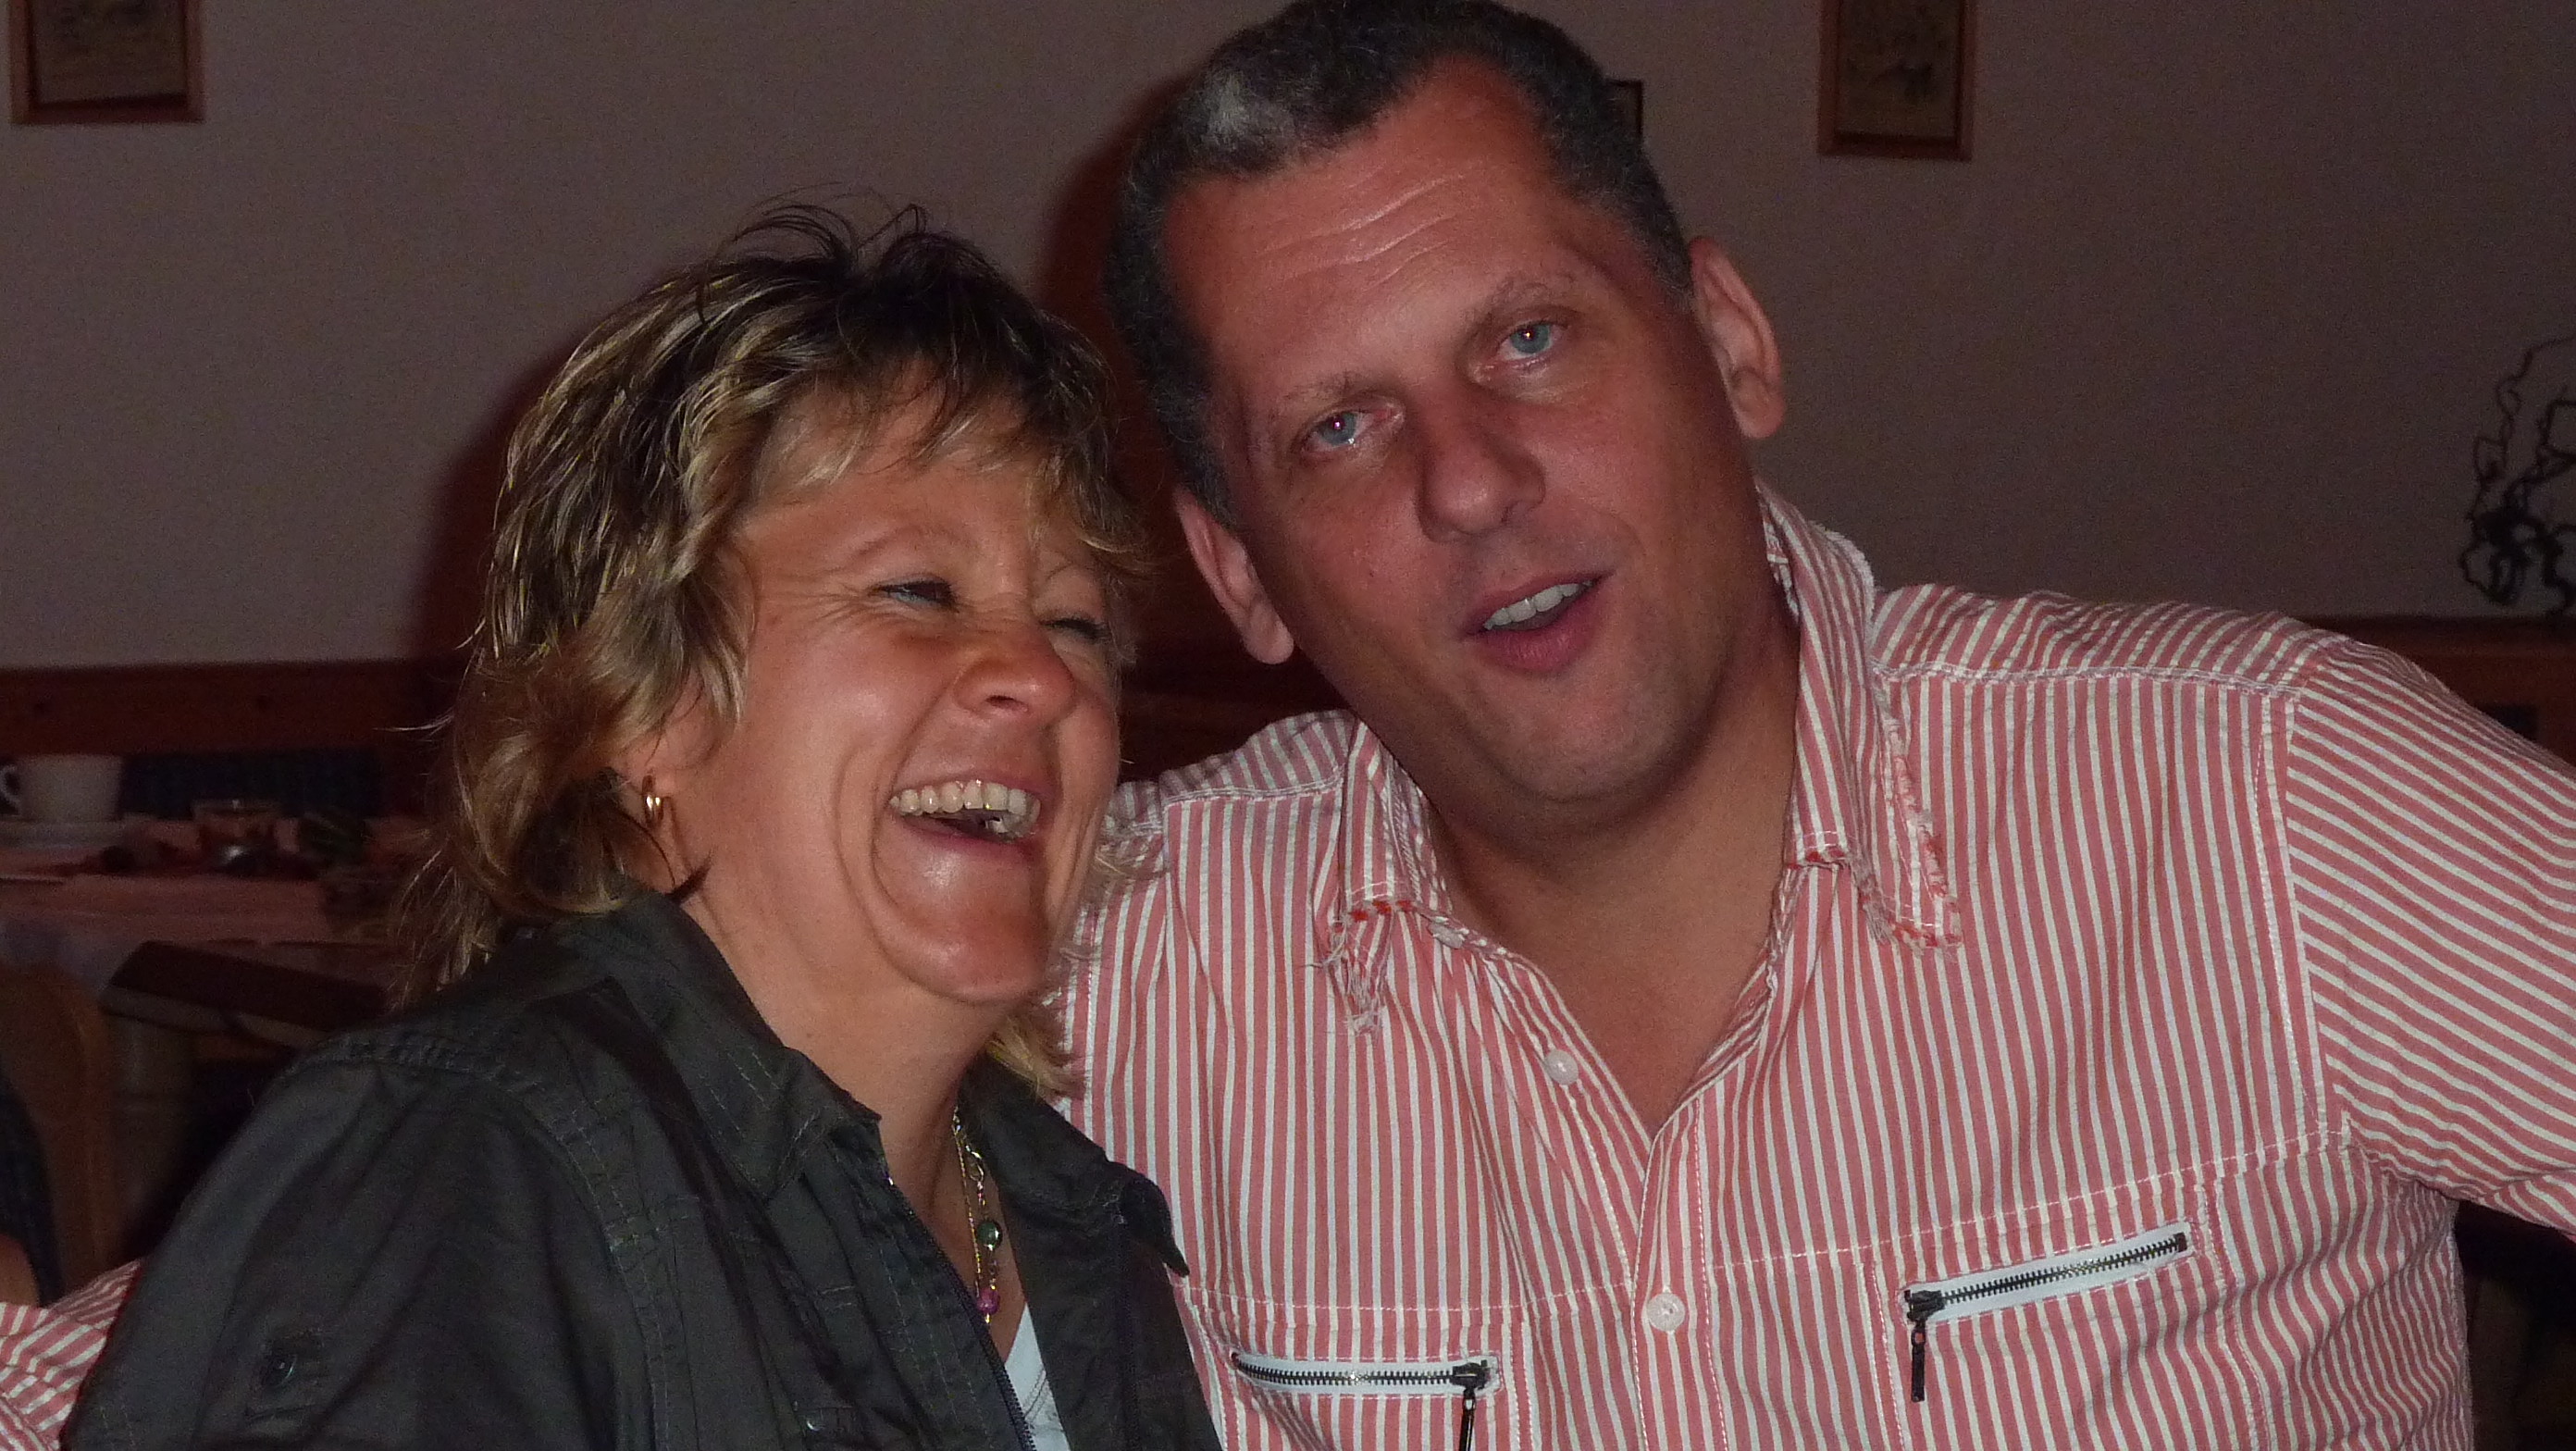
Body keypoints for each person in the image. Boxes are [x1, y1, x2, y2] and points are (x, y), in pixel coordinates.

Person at [1064, 1, 2576, 1445]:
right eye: (1340, 428)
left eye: (1531, 338)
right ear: (1240, 569)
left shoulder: (2272, 796)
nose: (1468, 482)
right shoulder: (1119, 978)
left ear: (1730, 344)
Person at [62, 210, 1220, 1449]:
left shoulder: (1068, 1216)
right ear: (642, 704)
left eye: (1075, 623)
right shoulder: (468, 1166)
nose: (1039, 679)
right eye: (918, 592)